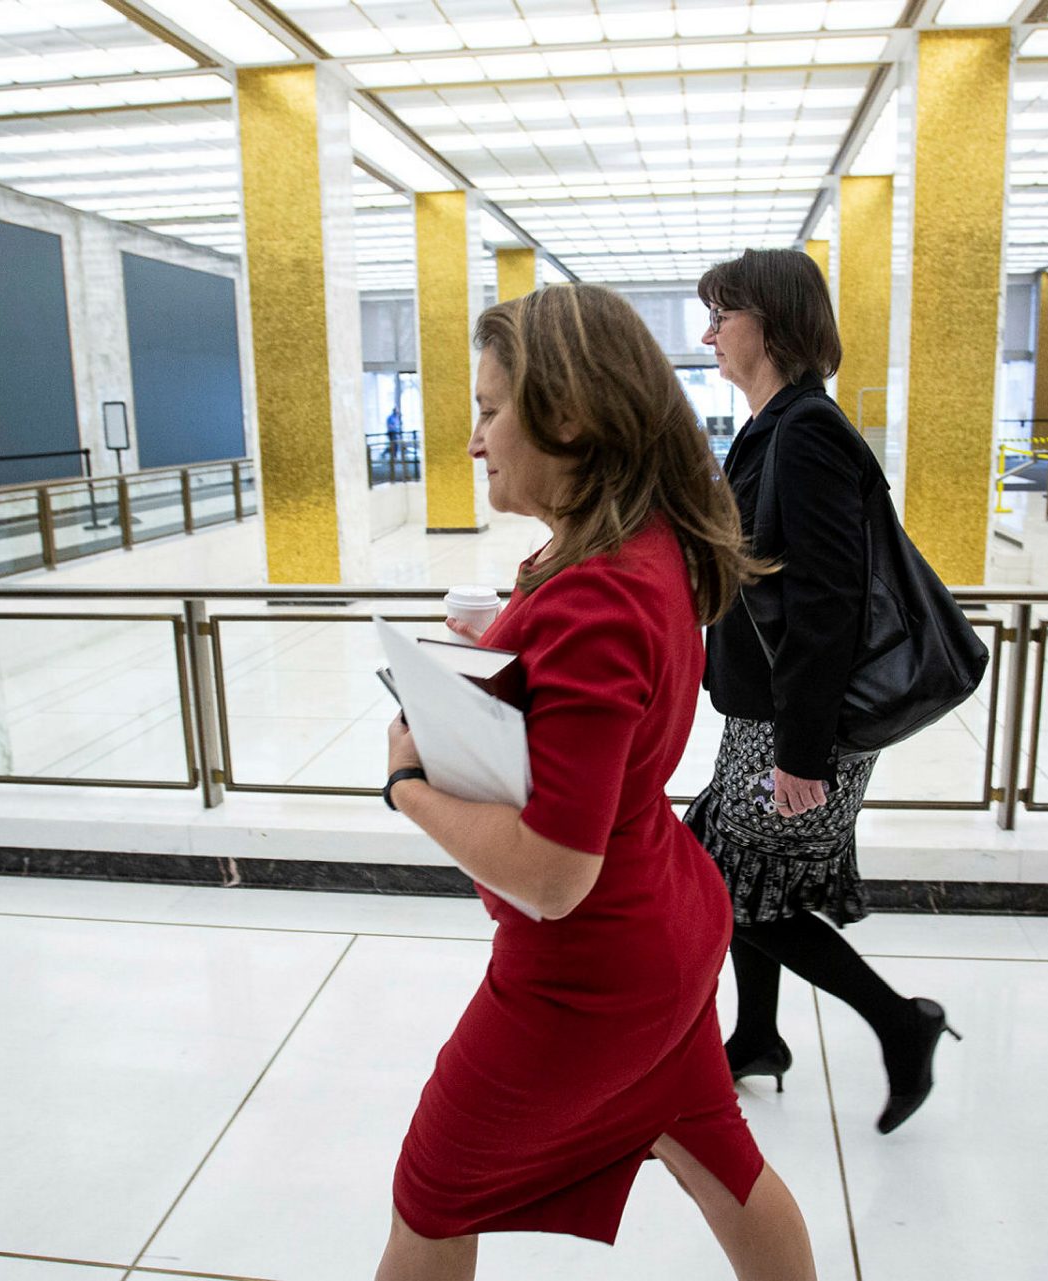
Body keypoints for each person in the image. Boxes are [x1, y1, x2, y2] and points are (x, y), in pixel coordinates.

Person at [377, 284, 817, 1281]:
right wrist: (507, 648)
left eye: (491, 410)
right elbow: (593, 707)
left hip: (588, 973)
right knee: (721, 1163)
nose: (478, 439)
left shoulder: (595, 597)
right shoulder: (635, 548)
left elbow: (552, 874)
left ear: (569, 415)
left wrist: (406, 782)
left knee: (434, 1192)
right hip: (665, 924)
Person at [686, 248, 960, 1136]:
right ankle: (759, 1033)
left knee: (726, 881)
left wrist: (803, 750)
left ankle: (899, 1020)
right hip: (768, 712)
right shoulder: (778, 425)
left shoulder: (805, 431)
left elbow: (829, 598)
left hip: (797, 722)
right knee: (741, 874)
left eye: (722, 314)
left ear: (768, 321)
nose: (709, 333)